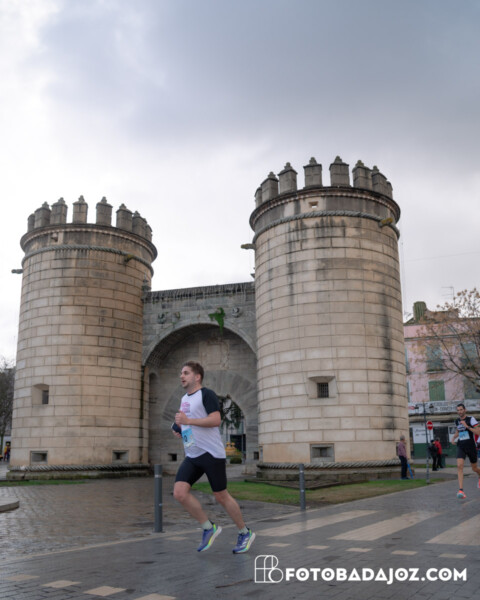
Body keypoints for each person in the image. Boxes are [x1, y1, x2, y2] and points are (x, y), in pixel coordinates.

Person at [172, 361, 255, 554]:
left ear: (197, 376)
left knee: (221, 496)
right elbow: (185, 422)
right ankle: (209, 528)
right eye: (181, 373)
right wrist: (179, 428)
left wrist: (188, 421)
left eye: (186, 373)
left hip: (210, 454)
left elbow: (215, 420)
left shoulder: (206, 394)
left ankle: (245, 532)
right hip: (193, 454)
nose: (181, 376)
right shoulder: (184, 398)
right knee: (179, 493)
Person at [452, 403, 480, 499]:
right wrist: (453, 437)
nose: (459, 411)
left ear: (465, 410)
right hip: (461, 446)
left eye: (461, 409)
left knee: (474, 468)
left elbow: (478, 432)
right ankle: (461, 490)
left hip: (471, 446)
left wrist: (467, 426)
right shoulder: (457, 421)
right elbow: (458, 431)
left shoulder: (471, 419)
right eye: (458, 410)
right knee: (459, 466)